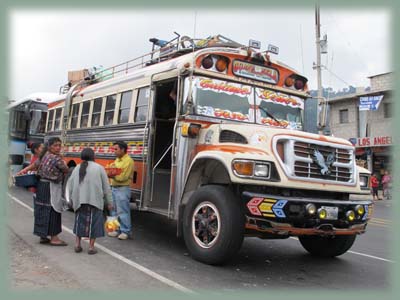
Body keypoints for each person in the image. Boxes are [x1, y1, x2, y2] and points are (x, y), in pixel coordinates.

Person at [67, 148, 113, 254]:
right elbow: (106, 188)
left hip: (80, 201)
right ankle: (91, 247)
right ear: (93, 156)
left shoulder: (77, 168)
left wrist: (71, 199)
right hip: (95, 201)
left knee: (79, 222)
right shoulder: (99, 168)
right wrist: (109, 202)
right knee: (94, 224)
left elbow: (70, 185)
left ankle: (77, 245)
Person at [33, 137, 69, 245]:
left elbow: (35, 165)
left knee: (41, 209)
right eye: (55, 145)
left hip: (42, 186)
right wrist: (62, 160)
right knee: (54, 210)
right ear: (49, 146)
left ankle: (42, 236)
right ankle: (54, 238)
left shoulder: (43, 156)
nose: (58, 148)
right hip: (51, 187)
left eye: (59, 145)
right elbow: (66, 170)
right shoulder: (57, 159)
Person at [107, 141, 134, 240]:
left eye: (116, 149)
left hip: (122, 188)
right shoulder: (117, 160)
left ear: (123, 150)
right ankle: (113, 229)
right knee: (112, 209)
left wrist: (111, 175)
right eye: (114, 149)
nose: (114, 151)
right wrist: (111, 173)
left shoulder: (129, 161)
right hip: (114, 187)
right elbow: (112, 171)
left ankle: (125, 231)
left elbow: (123, 177)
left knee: (123, 210)